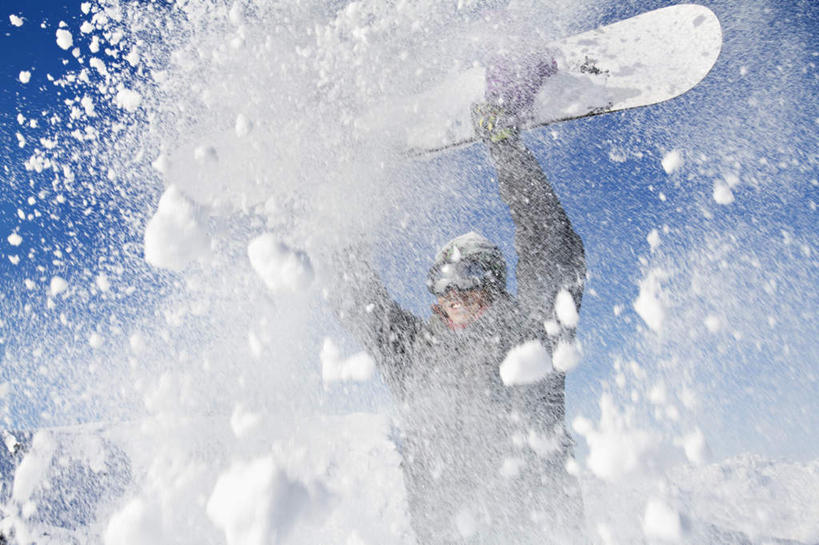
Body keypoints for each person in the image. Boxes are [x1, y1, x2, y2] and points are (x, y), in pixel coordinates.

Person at [329, 58, 586, 544]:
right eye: (442, 280)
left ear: (494, 280)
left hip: (535, 530)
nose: (454, 291)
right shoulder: (414, 351)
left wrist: (505, 148)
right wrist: (342, 199)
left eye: (468, 276)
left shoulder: (530, 335)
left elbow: (550, 245)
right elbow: (353, 295)